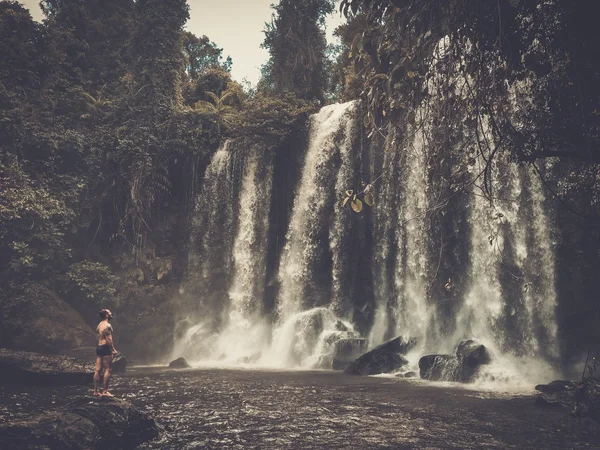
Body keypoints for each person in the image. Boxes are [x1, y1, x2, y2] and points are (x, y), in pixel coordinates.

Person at [93, 308, 118, 397]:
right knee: (108, 369)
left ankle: (96, 391)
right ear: (106, 315)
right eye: (109, 312)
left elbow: (97, 337)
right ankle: (105, 391)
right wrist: (113, 350)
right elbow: (109, 339)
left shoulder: (99, 325)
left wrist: (98, 347)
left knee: (98, 370)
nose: (111, 313)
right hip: (106, 348)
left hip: (99, 347)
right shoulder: (108, 325)